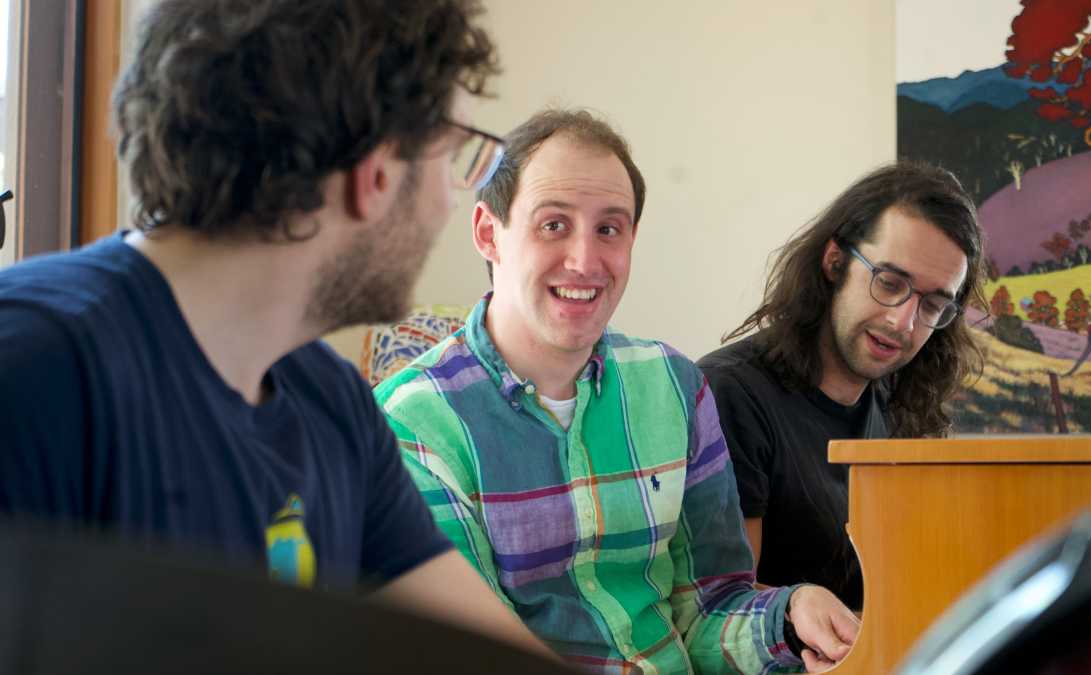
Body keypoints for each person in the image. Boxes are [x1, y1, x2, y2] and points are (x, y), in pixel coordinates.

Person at [0, 0, 549, 656]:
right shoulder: (33, 372)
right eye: (455, 156)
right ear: (376, 175)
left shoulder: (334, 405)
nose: (447, 199)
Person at [375, 109, 860, 673]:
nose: (585, 261)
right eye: (553, 225)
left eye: (609, 229)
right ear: (489, 233)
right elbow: (473, 653)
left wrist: (789, 616)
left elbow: (707, 609)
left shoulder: (674, 386)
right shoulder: (411, 424)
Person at [697, 161, 987, 609]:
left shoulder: (897, 399)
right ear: (835, 262)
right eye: (890, 283)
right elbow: (727, 605)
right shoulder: (730, 392)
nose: (904, 322)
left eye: (932, 306)